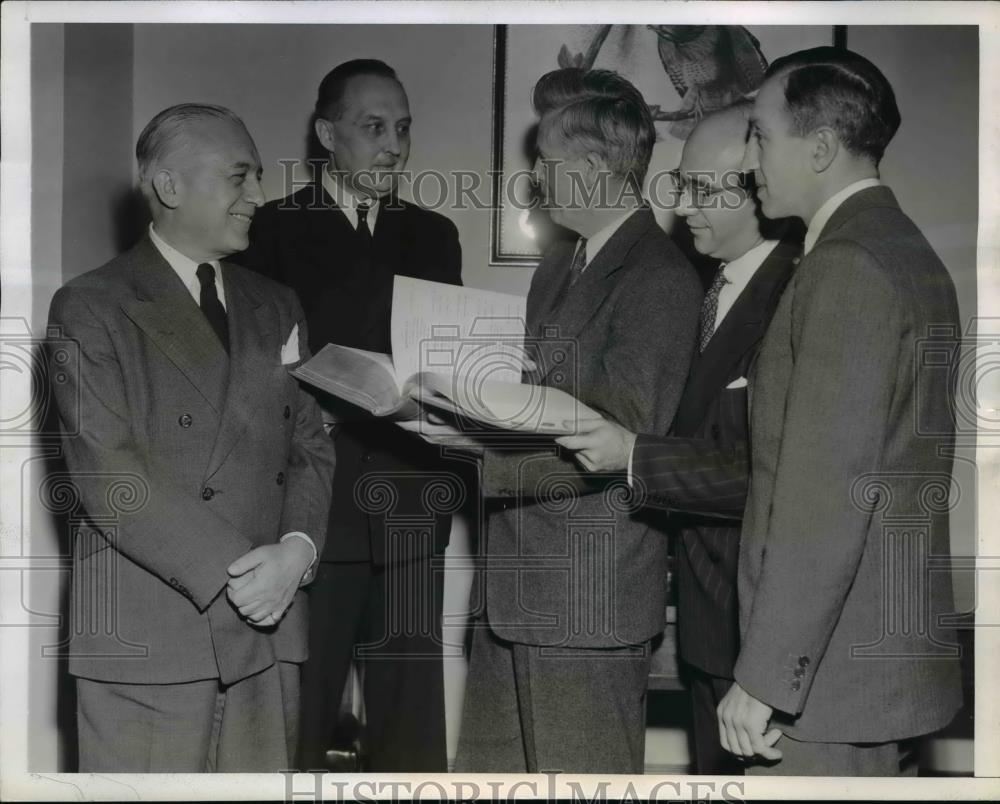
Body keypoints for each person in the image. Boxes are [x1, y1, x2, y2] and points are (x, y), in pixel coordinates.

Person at [47, 103, 336, 772]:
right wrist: (244, 577)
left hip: (271, 630)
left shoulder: (279, 303)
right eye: (240, 177)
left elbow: (311, 446)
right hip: (153, 636)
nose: (259, 196)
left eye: (258, 177)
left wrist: (296, 551)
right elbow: (109, 475)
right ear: (170, 188)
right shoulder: (91, 305)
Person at [432, 67, 702, 774]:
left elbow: (620, 434)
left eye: (546, 163)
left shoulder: (660, 277)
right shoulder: (559, 263)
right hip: (514, 583)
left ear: (590, 168)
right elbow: (538, 402)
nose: (537, 180)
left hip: (588, 596)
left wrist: (477, 454)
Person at [717, 46, 963, 775]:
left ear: (820, 147)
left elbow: (824, 500)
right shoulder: (906, 251)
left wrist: (761, 681)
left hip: (823, 690)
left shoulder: (848, 266)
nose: (746, 158)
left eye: (759, 133)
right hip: (870, 673)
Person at [555, 100, 800, 774]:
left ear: (757, 187)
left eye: (700, 188)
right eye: (680, 184)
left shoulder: (796, 295)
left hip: (759, 635)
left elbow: (770, 476)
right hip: (708, 626)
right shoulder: (706, 287)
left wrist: (632, 454)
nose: (681, 205)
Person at [237, 59, 462, 772]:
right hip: (312, 508)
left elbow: (443, 360)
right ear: (327, 133)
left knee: (411, 729)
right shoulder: (269, 229)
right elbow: (253, 370)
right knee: (301, 718)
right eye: (373, 127)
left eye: (402, 128)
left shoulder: (434, 235)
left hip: (411, 502)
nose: (392, 144)